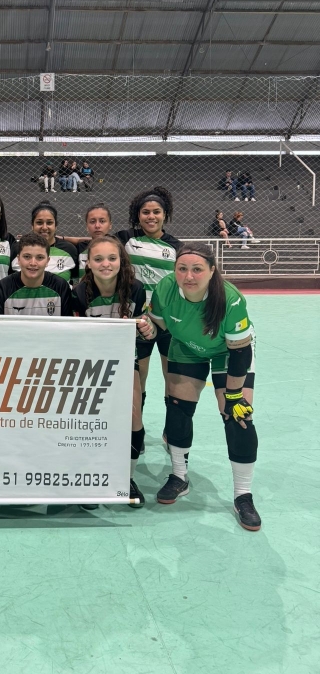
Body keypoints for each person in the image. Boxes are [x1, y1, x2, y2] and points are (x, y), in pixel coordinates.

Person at [145, 242, 261, 531]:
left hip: (228, 352)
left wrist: (234, 396)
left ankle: (243, 495)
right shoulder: (165, 290)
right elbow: (157, 325)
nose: (189, 276)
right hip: (187, 347)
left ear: (211, 271)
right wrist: (148, 327)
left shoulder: (230, 300)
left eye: (197, 269)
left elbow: (240, 353)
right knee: (178, 409)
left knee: (238, 417)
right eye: (182, 268)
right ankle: (179, 476)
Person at [72, 235, 150, 509]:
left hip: (125, 363)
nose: (106, 264)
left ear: (121, 261)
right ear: (89, 263)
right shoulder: (79, 294)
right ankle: (91, 476)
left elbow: (144, 328)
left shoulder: (136, 289)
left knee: (133, 415)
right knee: (89, 421)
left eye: (112, 258)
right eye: (99, 259)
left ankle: (126, 478)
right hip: (90, 367)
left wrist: (146, 329)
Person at [116, 186, 180, 427]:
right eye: (145, 212)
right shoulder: (125, 239)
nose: (151, 217)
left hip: (168, 323)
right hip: (138, 321)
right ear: (137, 215)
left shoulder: (176, 247)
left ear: (165, 214)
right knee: (138, 381)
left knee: (171, 379)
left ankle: (171, 431)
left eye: (156, 212)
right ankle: (136, 430)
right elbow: (97, 245)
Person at [0, 232, 72, 316]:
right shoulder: (4, 287)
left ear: (47, 261)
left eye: (40, 257)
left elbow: (69, 324)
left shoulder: (60, 286)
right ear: (18, 259)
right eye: (27, 257)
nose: (33, 263)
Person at [11, 201, 77, 281]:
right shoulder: (17, 248)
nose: (44, 227)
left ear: (56, 226)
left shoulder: (69, 249)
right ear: (32, 225)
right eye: (39, 223)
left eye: (49, 223)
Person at [76, 203, 114, 279]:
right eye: (92, 221)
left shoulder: (119, 247)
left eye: (102, 221)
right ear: (87, 226)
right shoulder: (80, 248)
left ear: (110, 225)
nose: (97, 226)